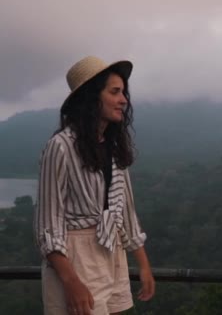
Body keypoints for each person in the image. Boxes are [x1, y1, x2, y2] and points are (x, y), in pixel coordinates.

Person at [34, 56, 155, 315]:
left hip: (114, 252)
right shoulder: (61, 147)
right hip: (76, 257)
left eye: (123, 92)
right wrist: (71, 281)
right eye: (115, 92)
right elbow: (48, 224)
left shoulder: (112, 147)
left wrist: (143, 265)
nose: (124, 100)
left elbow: (126, 211)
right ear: (91, 98)